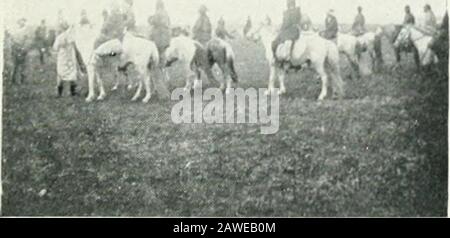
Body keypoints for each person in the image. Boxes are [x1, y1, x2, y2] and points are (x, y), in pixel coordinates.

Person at [53, 27, 79, 97]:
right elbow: (75, 46)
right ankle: (73, 92)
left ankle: (59, 92)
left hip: (62, 56)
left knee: (60, 74)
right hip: (70, 56)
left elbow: (55, 48)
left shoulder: (59, 37)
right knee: (72, 73)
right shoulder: (71, 36)